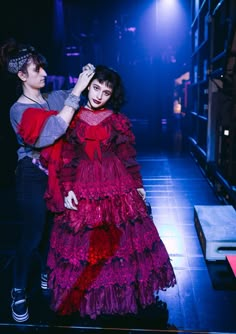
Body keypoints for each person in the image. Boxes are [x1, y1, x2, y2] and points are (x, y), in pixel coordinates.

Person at [41, 65, 177, 320]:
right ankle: (91, 296)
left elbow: (128, 156)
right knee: (85, 243)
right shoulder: (73, 118)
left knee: (122, 242)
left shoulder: (117, 121)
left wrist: (138, 185)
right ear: (88, 87)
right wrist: (68, 188)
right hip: (84, 185)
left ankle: (118, 296)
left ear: (112, 95)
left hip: (117, 184)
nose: (99, 95)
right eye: (96, 88)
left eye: (106, 91)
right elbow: (68, 157)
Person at [0, 37, 95, 323]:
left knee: (53, 231)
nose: (44, 73)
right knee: (31, 235)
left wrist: (90, 79)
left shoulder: (52, 98)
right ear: (21, 76)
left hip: (57, 174)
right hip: (31, 175)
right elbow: (51, 131)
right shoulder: (18, 110)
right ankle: (17, 290)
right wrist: (77, 89)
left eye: (43, 67)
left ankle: (45, 273)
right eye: (37, 69)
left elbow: (77, 101)